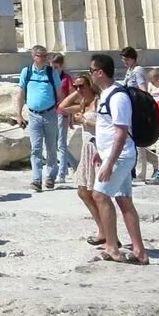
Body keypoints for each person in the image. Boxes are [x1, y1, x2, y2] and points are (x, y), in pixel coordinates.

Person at [89, 53, 147, 265]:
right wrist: (100, 151)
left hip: (120, 157)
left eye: (91, 71)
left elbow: (121, 132)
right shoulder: (106, 94)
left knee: (100, 196)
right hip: (112, 154)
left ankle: (112, 247)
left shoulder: (118, 96)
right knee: (124, 201)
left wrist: (110, 162)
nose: (90, 75)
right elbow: (106, 127)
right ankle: (140, 252)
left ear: (100, 72)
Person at [59, 72, 103, 244]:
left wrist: (84, 122)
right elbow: (62, 106)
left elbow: (105, 126)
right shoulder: (84, 103)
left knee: (96, 193)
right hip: (86, 149)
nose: (79, 89)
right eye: (76, 86)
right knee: (83, 191)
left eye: (82, 86)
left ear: (91, 85)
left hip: (97, 147)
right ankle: (102, 229)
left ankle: (106, 232)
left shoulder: (99, 102)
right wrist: (78, 92)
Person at [15, 44, 64, 193]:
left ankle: (51, 176)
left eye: (45, 56)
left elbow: (60, 93)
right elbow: (21, 94)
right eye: (40, 56)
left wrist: (61, 110)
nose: (44, 59)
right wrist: (18, 114)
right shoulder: (27, 72)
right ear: (34, 57)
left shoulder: (52, 72)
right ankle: (36, 179)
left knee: (51, 147)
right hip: (33, 114)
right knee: (35, 149)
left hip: (50, 114)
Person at [118, 47, 151, 179]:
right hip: (129, 108)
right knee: (132, 140)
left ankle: (140, 172)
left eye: (126, 59)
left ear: (132, 58)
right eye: (123, 59)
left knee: (137, 142)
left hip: (137, 109)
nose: (124, 62)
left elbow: (143, 90)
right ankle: (154, 162)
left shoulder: (137, 71)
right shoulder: (130, 70)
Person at [52, 53, 77, 183]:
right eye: (52, 67)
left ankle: (62, 173)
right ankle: (75, 164)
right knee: (55, 144)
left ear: (61, 66)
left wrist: (71, 115)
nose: (54, 69)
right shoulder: (51, 77)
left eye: (56, 67)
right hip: (51, 113)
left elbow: (72, 97)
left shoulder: (67, 79)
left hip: (63, 113)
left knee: (61, 143)